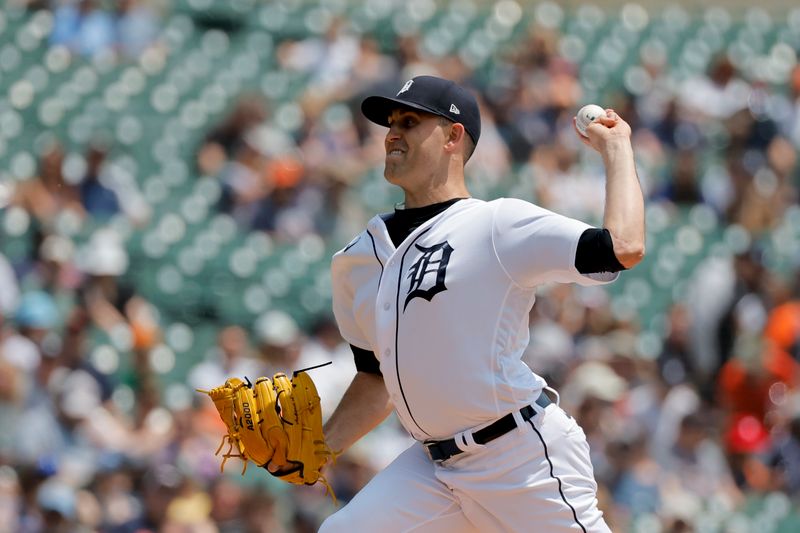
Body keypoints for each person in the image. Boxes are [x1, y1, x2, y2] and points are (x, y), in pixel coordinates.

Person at [320, 75, 644, 532]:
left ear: (454, 136)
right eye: (390, 123)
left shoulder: (497, 225)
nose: (392, 133)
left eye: (410, 122)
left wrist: (617, 150)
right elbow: (376, 379)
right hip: (433, 470)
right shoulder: (358, 258)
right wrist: (319, 448)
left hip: (517, 457)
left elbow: (622, 246)